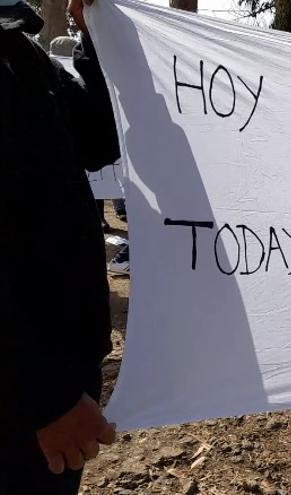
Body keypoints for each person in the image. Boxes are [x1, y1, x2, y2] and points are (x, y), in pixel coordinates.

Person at [0, 0, 119, 492]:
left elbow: (98, 136)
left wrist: (94, 33)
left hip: (58, 378)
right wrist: (45, 397)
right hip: (26, 402)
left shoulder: (18, 49)